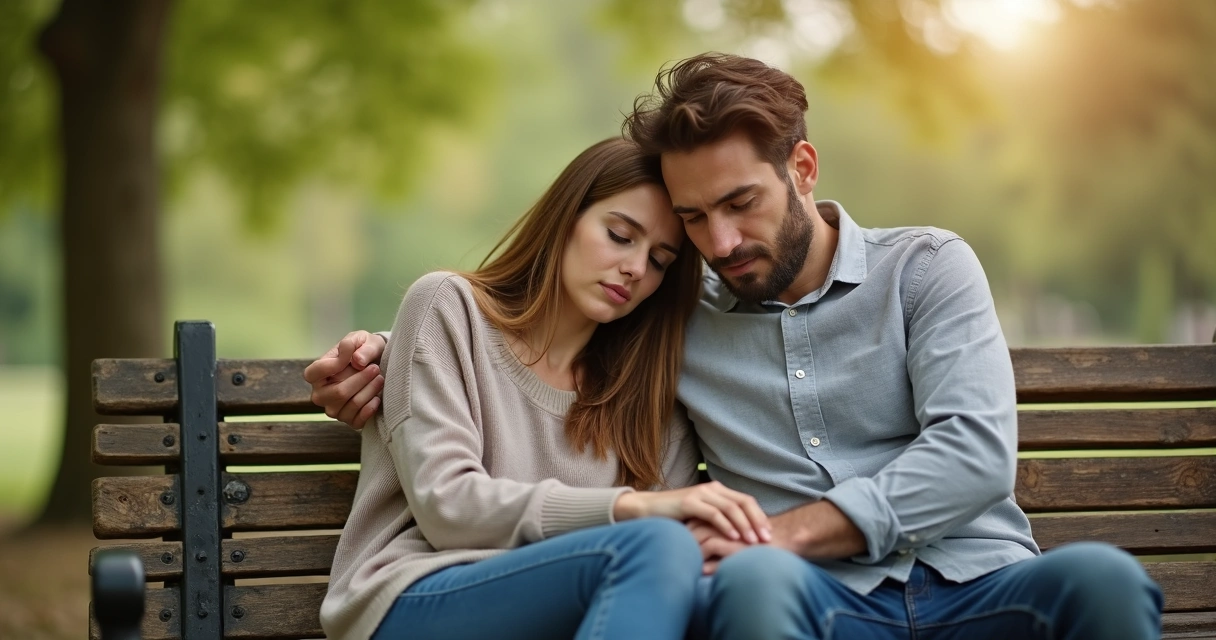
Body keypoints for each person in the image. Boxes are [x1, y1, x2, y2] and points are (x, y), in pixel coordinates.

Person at [310, 55, 1164, 639]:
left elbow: (974, 455)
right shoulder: (674, 321)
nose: (717, 242)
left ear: (803, 166)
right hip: (806, 601)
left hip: (976, 575)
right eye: (690, 220)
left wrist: (787, 533)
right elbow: (498, 335)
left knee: (1105, 579)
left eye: (738, 204)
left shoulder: (924, 269)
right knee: (733, 576)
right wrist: (388, 354)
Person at [311, 137, 771, 640]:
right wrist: (629, 507)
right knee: (657, 544)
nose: (636, 268)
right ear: (566, 217)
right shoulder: (448, 308)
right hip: (414, 598)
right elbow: (449, 508)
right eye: (620, 235)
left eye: (660, 260)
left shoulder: (650, 397)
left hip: (566, 615)